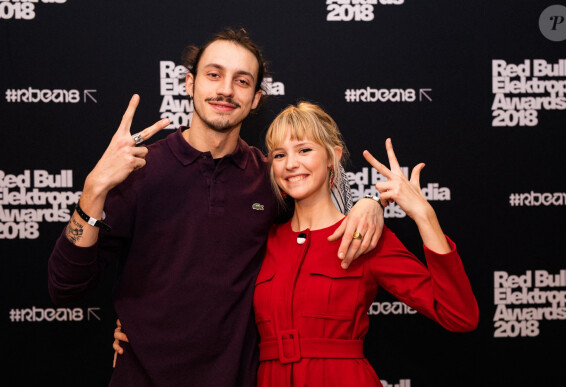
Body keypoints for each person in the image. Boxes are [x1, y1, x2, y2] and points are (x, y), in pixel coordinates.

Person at [48, 28, 384, 386]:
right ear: (190, 84)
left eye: (241, 81)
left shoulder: (269, 176)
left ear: (255, 99)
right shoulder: (139, 170)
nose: (225, 89)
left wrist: (368, 202)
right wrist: (93, 191)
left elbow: (324, 203)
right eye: (214, 74)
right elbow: (66, 287)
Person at [251, 102, 479, 385]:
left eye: (304, 150)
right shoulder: (262, 240)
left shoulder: (366, 236)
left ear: (332, 157)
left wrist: (424, 214)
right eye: (279, 155)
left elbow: (459, 315)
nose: (291, 164)